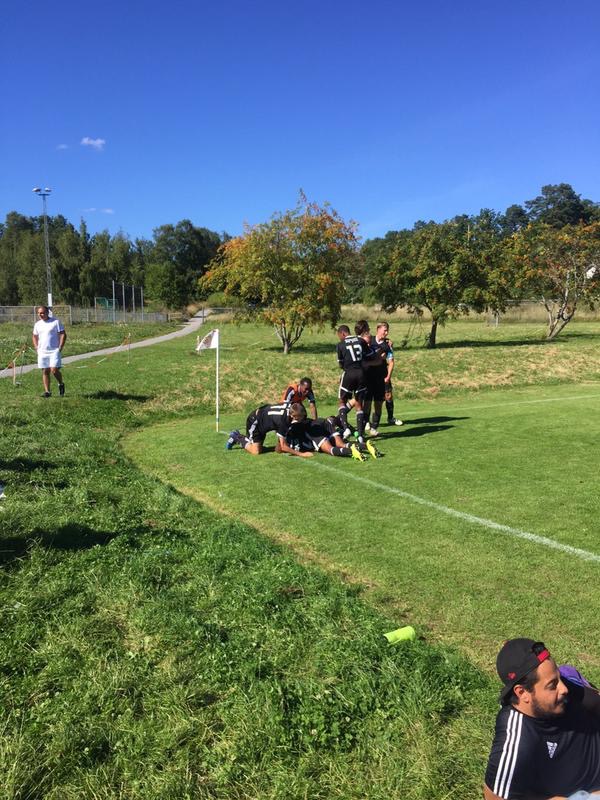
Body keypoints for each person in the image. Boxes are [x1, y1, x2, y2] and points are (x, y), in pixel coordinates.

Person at [484, 637, 600, 800]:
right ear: (522, 693)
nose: (564, 688)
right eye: (552, 685)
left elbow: (595, 702)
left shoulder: (562, 690)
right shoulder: (517, 739)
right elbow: (493, 796)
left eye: (559, 678)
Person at [336, 320, 381, 444]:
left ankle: (346, 429)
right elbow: (371, 355)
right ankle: (360, 435)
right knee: (358, 403)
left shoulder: (340, 345)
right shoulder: (361, 341)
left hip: (349, 373)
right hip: (361, 374)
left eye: (339, 335)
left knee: (341, 401)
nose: (339, 338)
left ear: (343, 334)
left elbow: (340, 364)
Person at [225, 402, 313, 457]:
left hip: (265, 421)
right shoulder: (283, 420)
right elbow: (283, 447)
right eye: (300, 418)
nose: (302, 419)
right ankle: (237, 437)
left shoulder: (293, 406)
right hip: (255, 422)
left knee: (271, 448)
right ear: (292, 416)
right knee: (256, 451)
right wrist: (302, 454)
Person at [286, 415, 383, 461]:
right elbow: (334, 419)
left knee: (330, 449)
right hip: (323, 422)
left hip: (314, 431)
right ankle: (366, 446)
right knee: (342, 444)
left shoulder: (291, 427)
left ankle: (352, 451)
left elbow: (280, 447)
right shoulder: (301, 420)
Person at [32, 305, 66, 397]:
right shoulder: (37, 324)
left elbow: (63, 334)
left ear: (47, 312)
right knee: (45, 371)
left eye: (42, 313)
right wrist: (36, 347)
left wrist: (60, 347)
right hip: (42, 351)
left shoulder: (55, 322)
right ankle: (48, 392)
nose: (40, 315)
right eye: (39, 313)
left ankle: (61, 384)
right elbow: (34, 336)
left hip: (54, 350)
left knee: (54, 370)